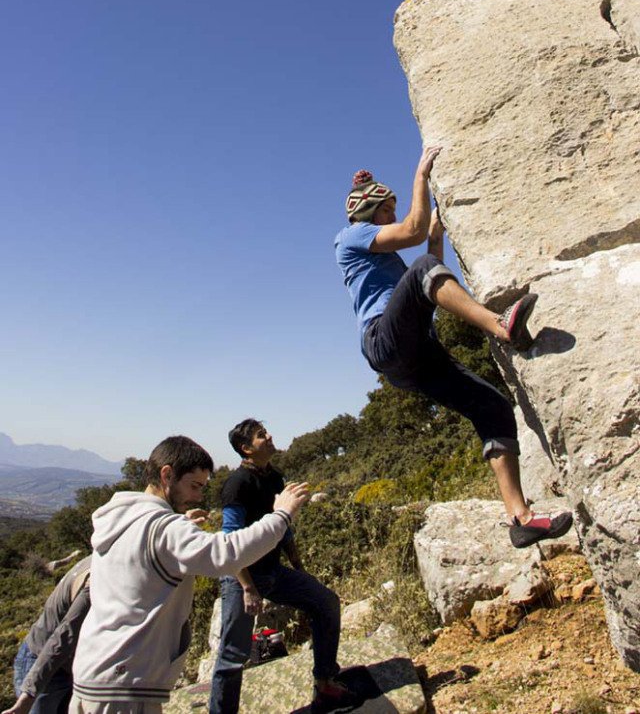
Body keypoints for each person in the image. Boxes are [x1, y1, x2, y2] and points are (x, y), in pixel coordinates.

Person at [335, 145, 573, 549]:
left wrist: (436, 236)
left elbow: (426, 278)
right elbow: (412, 231)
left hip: (413, 353)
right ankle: (502, 327)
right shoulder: (351, 236)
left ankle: (521, 518)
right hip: (384, 340)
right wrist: (420, 176)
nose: (392, 218)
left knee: (491, 405)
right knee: (422, 270)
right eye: (388, 211)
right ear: (371, 215)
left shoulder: (384, 259)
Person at [69, 435, 309, 714]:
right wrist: (281, 515)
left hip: (92, 674)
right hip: (125, 686)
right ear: (167, 474)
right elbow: (225, 553)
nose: (198, 496)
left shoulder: (122, 520)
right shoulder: (163, 529)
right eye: (194, 486)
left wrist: (180, 527)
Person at [210, 419, 354, 714]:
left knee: (325, 602)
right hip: (241, 577)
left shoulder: (275, 478)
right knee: (233, 655)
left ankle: (325, 684)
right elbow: (229, 542)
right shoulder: (237, 484)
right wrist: (248, 587)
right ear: (246, 448)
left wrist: (299, 567)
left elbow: (283, 528)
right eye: (262, 435)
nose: (270, 436)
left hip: (273, 571)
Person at [4, 556, 92, 714]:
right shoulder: (98, 578)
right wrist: (29, 695)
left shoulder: (102, 558)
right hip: (43, 662)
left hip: (71, 667)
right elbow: (65, 635)